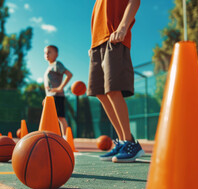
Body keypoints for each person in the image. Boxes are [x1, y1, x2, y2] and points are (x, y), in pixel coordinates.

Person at [87, 0, 144, 162]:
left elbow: (135, 1)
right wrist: (93, 44)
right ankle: (122, 141)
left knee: (112, 89)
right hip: (97, 44)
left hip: (114, 38)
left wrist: (122, 27)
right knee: (99, 93)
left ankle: (130, 143)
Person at [43, 45, 73, 137]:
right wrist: (46, 98)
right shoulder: (48, 68)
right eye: (45, 53)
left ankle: (65, 138)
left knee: (60, 118)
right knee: (49, 119)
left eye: (49, 52)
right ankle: (51, 138)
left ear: (56, 54)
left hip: (57, 96)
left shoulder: (57, 64)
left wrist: (60, 87)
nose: (46, 54)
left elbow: (69, 74)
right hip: (50, 97)